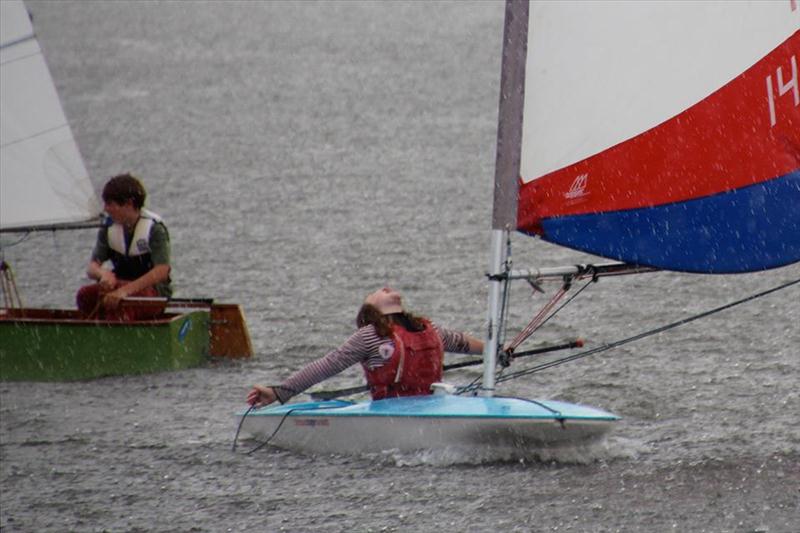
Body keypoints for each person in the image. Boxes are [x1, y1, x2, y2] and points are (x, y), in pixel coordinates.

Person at [247, 287, 484, 407]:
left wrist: (280, 391)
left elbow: (328, 365)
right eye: (378, 292)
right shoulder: (420, 331)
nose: (386, 288)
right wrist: (281, 391)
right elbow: (328, 365)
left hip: (409, 411)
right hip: (416, 410)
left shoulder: (381, 334)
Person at [75, 173, 171, 321]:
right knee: (85, 296)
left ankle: (117, 336)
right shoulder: (108, 228)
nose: (106, 209)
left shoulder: (154, 229)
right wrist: (103, 275)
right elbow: (92, 267)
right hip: (119, 286)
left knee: (122, 303)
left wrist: (125, 291)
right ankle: (92, 332)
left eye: (110, 204)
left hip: (153, 293)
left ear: (129, 204)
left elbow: (162, 271)